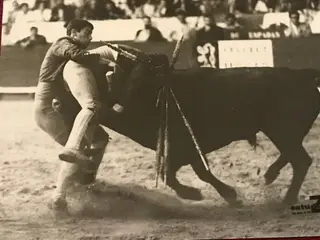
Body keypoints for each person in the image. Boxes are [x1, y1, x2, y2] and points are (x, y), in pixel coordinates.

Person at [34, 19, 111, 211]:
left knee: (100, 138)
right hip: (47, 109)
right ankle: (59, 197)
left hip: (56, 107)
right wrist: (107, 60)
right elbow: (77, 55)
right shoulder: (63, 42)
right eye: (86, 32)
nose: (90, 37)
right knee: (78, 149)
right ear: (73, 33)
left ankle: (86, 181)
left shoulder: (69, 45)